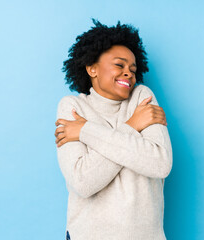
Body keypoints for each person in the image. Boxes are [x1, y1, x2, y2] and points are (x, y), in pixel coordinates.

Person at [55, 19, 173, 240]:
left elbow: (160, 163)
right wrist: (133, 126)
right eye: (119, 65)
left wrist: (86, 132)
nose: (129, 73)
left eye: (133, 68)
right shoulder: (72, 107)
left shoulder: (142, 97)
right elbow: (83, 182)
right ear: (92, 68)